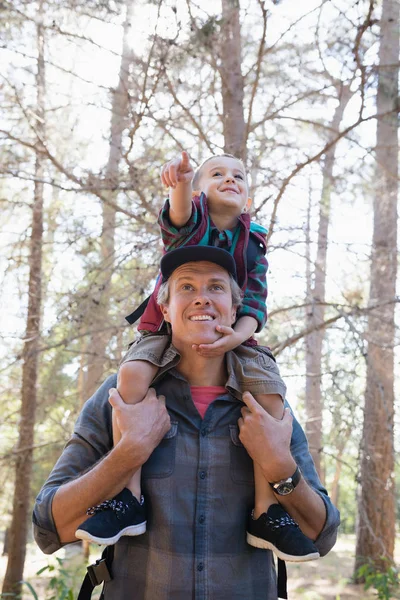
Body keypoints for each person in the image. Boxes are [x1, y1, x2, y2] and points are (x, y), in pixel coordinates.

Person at [33, 247, 340, 600]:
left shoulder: (267, 406)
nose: (202, 299)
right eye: (187, 288)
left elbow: (323, 535)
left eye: (216, 288)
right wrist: (129, 451)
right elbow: (47, 527)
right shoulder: (120, 396)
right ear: (164, 308)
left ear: (235, 308)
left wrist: (279, 466)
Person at [73, 152, 319, 561]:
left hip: (233, 334)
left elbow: (254, 303)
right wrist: (182, 183)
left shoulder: (253, 243)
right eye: (217, 174)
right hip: (162, 333)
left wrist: (232, 338)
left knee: (268, 393)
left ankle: (267, 512)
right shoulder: (194, 221)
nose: (230, 179)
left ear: (249, 197)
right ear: (202, 191)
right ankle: (127, 498)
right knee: (132, 374)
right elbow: (179, 216)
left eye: (239, 175)